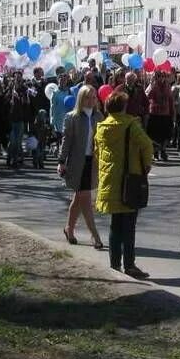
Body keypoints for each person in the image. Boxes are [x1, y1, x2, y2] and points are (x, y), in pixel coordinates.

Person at [94, 91, 153, 279]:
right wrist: (146, 166)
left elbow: (97, 152)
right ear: (124, 107)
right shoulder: (130, 125)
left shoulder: (102, 127)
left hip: (110, 182)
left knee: (115, 225)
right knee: (129, 226)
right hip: (130, 180)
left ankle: (114, 263)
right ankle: (130, 265)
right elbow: (146, 145)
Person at [58, 85, 104, 249]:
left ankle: (69, 228)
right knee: (85, 198)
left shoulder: (99, 116)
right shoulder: (72, 117)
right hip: (77, 163)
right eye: (88, 97)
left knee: (78, 198)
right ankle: (95, 234)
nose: (92, 100)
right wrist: (61, 160)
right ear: (81, 98)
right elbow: (66, 141)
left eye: (94, 97)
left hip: (93, 163)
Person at [146, 71, 175, 161]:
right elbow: (148, 96)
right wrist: (152, 84)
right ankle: (155, 152)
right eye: (159, 76)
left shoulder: (167, 86)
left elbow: (170, 100)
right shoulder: (153, 85)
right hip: (155, 113)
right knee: (155, 135)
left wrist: (172, 112)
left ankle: (163, 151)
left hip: (165, 113)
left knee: (164, 134)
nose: (161, 78)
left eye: (163, 76)